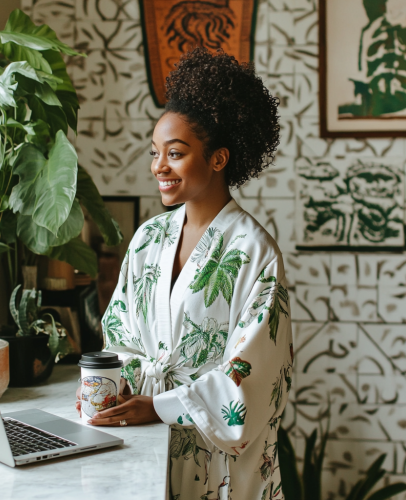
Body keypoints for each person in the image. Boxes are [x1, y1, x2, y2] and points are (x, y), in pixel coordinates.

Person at [76, 47, 292, 500]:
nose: (159, 167)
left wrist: (161, 406)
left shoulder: (254, 251)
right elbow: (119, 336)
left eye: (175, 153)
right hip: (146, 442)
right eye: (156, 153)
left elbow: (253, 376)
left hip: (220, 463)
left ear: (218, 159)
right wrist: (109, 392)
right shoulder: (148, 239)